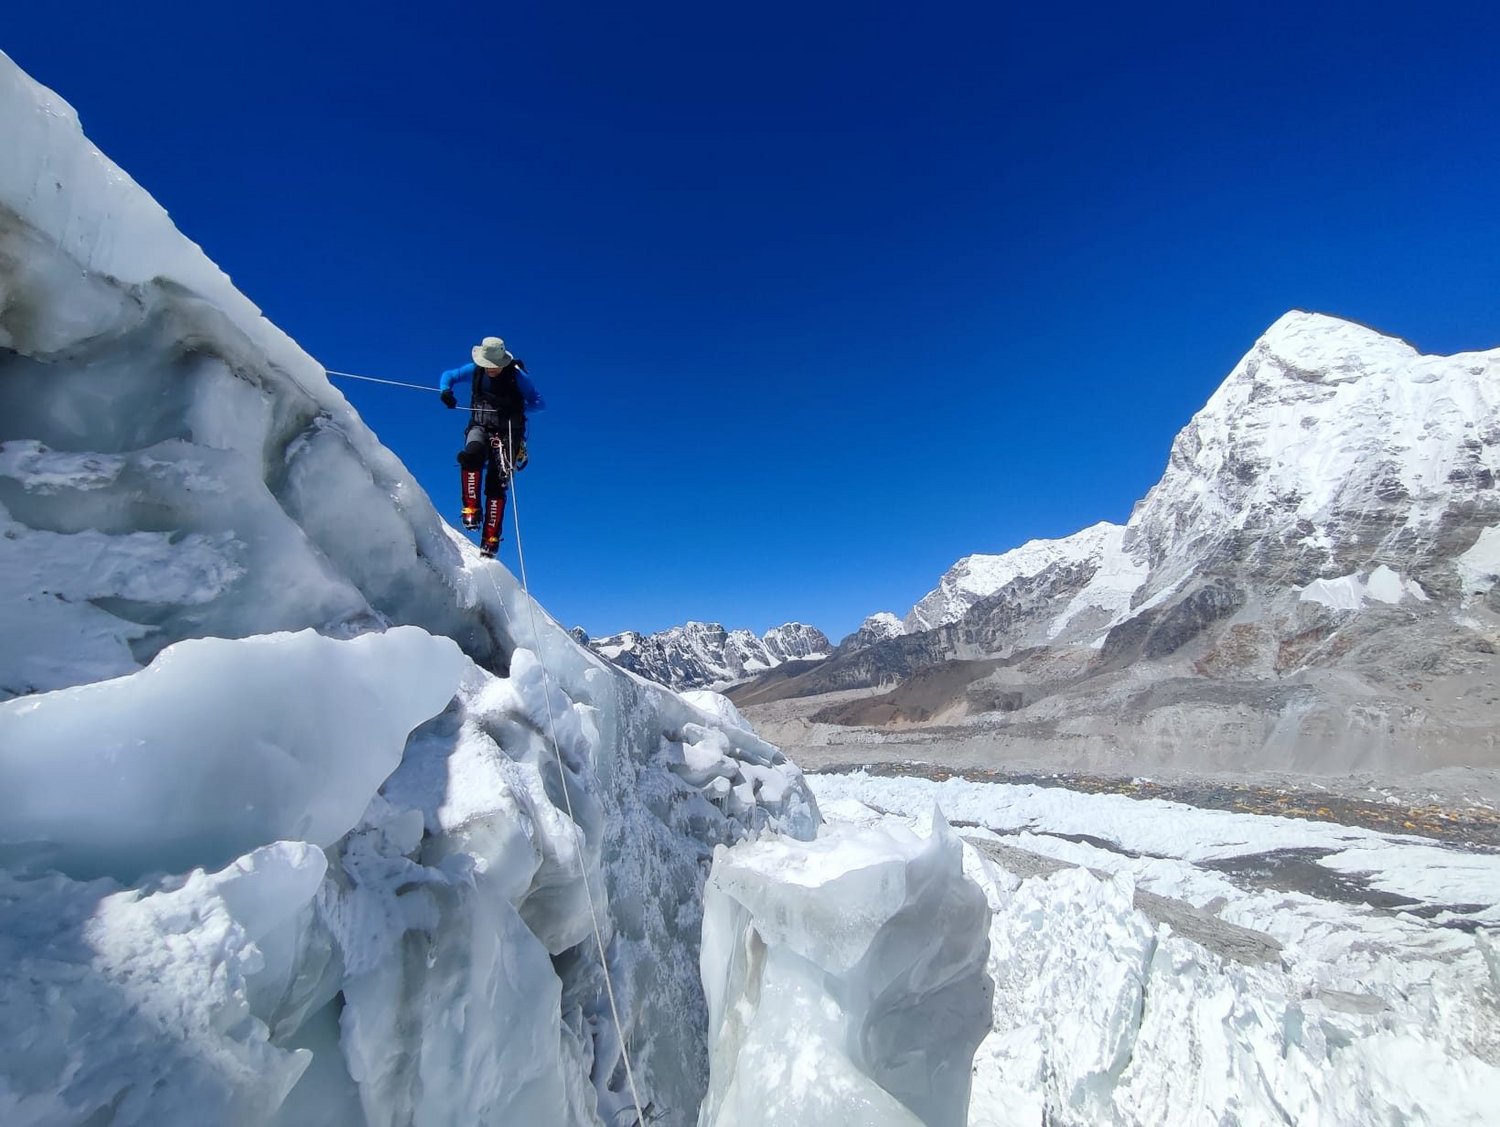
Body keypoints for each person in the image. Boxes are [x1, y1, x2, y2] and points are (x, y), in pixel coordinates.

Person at [438, 336, 545, 557]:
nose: (491, 369)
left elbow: (539, 402)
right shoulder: (475, 371)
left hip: (508, 435)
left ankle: (491, 539)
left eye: (495, 366)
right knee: (471, 456)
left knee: (497, 485)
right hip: (479, 427)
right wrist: (445, 391)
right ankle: (471, 509)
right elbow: (449, 376)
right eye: (488, 365)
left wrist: (517, 408)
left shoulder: (517, 377)